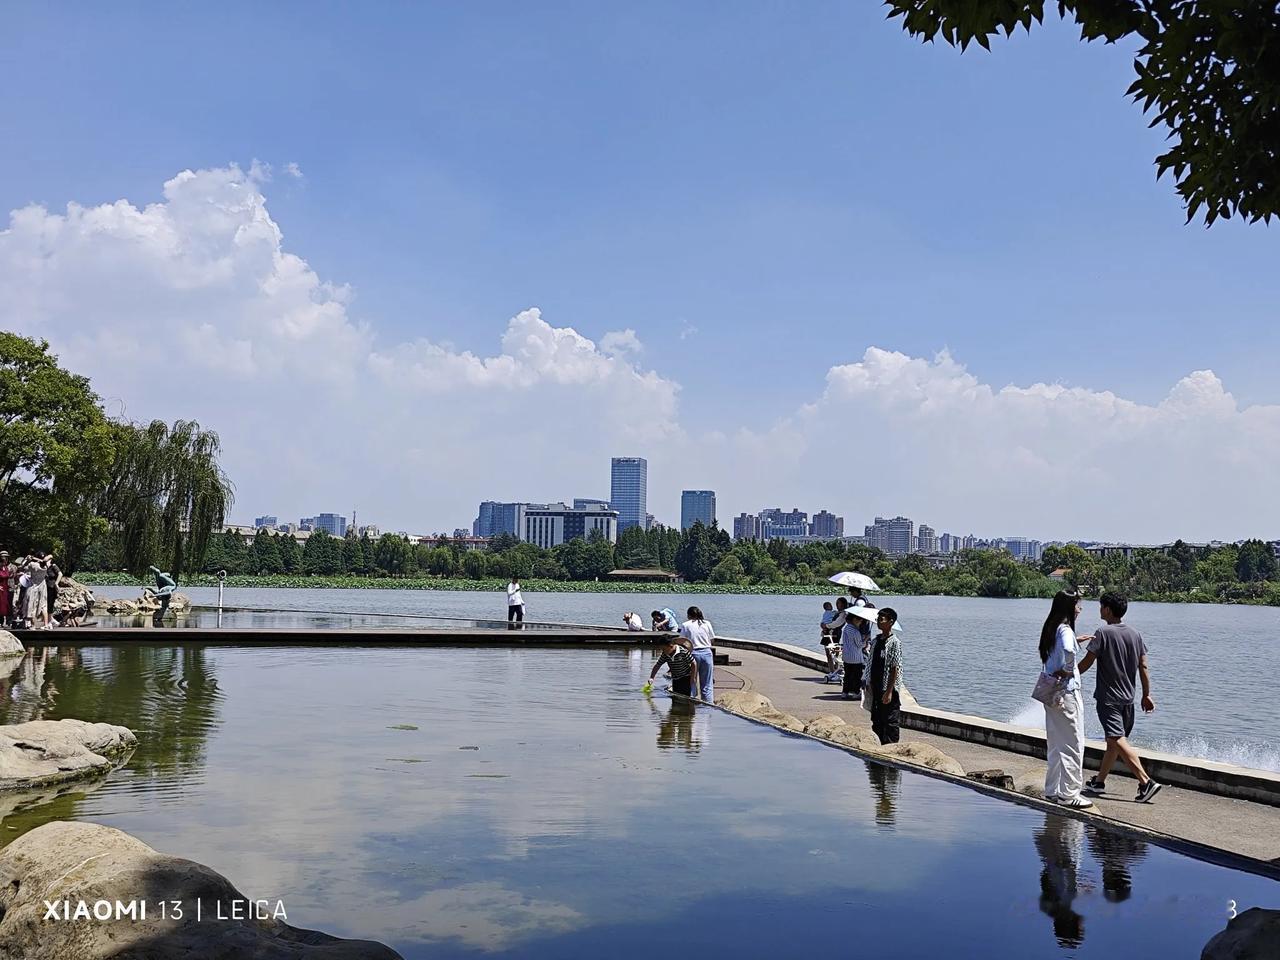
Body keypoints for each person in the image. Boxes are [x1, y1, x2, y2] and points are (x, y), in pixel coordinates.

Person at [1078, 591, 1162, 803]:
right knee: (1113, 742)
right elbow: (1143, 665)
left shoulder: (1103, 633)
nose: (1099, 610)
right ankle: (1099, 782)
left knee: (1116, 739)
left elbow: (1088, 662)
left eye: (1100, 606)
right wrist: (1147, 694)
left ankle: (1145, 782)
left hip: (1109, 699)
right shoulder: (1135, 634)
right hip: (1128, 699)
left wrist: (1068, 675)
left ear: (1107, 609)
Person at [1039, 590, 1092, 808]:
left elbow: (1062, 650)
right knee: (1073, 743)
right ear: (1070, 607)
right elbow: (1068, 650)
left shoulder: (1050, 628)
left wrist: (1074, 643)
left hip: (1050, 693)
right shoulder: (1065, 629)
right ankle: (1069, 794)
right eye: (1078, 606)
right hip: (1066, 693)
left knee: (1055, 743)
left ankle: (1052, 790)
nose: (1080, 610)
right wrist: (1069, 670)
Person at [868, 608, 902, 744]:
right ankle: (878, 746)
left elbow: (895, 668)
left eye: (882, 619)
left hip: (887, 687)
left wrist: (889, 691)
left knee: (890, 721)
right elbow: (871, 662)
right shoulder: (876, 641)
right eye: (878, 619)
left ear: (891, 622)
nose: (879, 622)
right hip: (876, 685)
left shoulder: (894, 642)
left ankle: (891, 748)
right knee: (877, 719)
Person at [679, 606, 716, 702]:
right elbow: (712, 639)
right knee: (707, 683)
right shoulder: (707, 623)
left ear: (689, 615)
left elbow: (682, 641)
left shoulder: (685, 625)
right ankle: (708, 705)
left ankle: (691, 703)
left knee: (692, 681)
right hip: (707, 653)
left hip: (693, 654)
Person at [842, 605, 872, 700]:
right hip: (855, 658)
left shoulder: (846, 628)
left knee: (847, 675)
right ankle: (855, 692)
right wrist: (866, 640)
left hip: (847, 656)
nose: (860, 623)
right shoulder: (855, 631)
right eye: (860, 621)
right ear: (855, 619)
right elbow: (860, 645)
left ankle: (845, 692)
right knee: (856, 676)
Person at [24, 555, 51, 630]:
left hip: (34, 586)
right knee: (44, 606)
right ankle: (46, 625)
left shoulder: (33, 565)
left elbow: (24, 568)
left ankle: (33, 625)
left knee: (32, 605)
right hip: (42, 586)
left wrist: (29, 559)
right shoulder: (46, 566)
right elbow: (49, 557)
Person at [820, 601, 838, 673]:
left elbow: (822, 623)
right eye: (830, 605)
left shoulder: (825, 614)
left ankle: (832, 670)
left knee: (829, 653)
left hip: (826, 632)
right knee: (834, 652)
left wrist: (824, 627)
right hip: (830, 632)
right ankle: (835, 669)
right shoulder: (833, 613)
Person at [0, 551, 12, 628]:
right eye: (4, 558)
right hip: (0, 587)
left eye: (6, 558)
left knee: (4, 606)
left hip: (5, 588)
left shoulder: (6, 567)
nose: (5, 559)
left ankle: (2, 622)